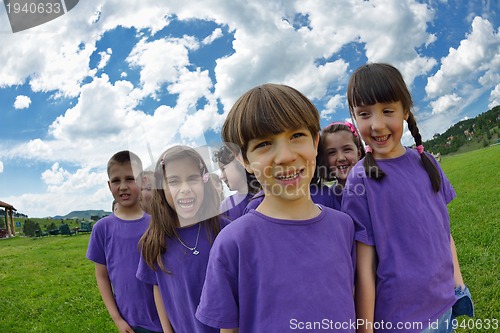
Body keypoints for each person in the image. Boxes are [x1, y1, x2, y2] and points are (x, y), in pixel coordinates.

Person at [196, 83, 357, 332]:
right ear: (244, 160)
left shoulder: (344, 225)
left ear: (315, 142)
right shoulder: (233, 242)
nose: (285, 156)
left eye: (296, 136)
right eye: (263, 144)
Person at [342, 63, 473, 333]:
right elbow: (364, 266)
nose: (377, 125)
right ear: (354, 118)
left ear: (405, 110)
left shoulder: (427, 162)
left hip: (445, 305)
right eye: (364, 114)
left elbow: (443, 231)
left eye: (387, 111)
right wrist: (365, 329)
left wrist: (458, 284)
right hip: (402, 320)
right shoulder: (360, 180)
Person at [136, 145, 230, 333]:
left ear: (205, 181)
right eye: (174, 181)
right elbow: (158, 288)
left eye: (193, 179)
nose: (185, 189)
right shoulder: (153, 241)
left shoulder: (227, 232)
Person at [86, 150, 163, 333]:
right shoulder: (102, 229)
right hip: (129, 323)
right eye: (116, 181)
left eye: (130, 178)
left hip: (164, 321)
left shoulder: (157, 225)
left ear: (142, 181)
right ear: (108, 185)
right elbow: (102, 276)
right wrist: (117, 319)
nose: (123, 186)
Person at [321, 121, 365, 206]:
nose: (341, 158)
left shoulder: (373, 189)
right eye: (332, 152)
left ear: (359, 153)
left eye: (347, 149)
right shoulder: (326, 199)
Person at [212, 145, 260, 220]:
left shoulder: (265, 196)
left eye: (223, 169)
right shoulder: (225, 207)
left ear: (240, 163)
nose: (221, 176)